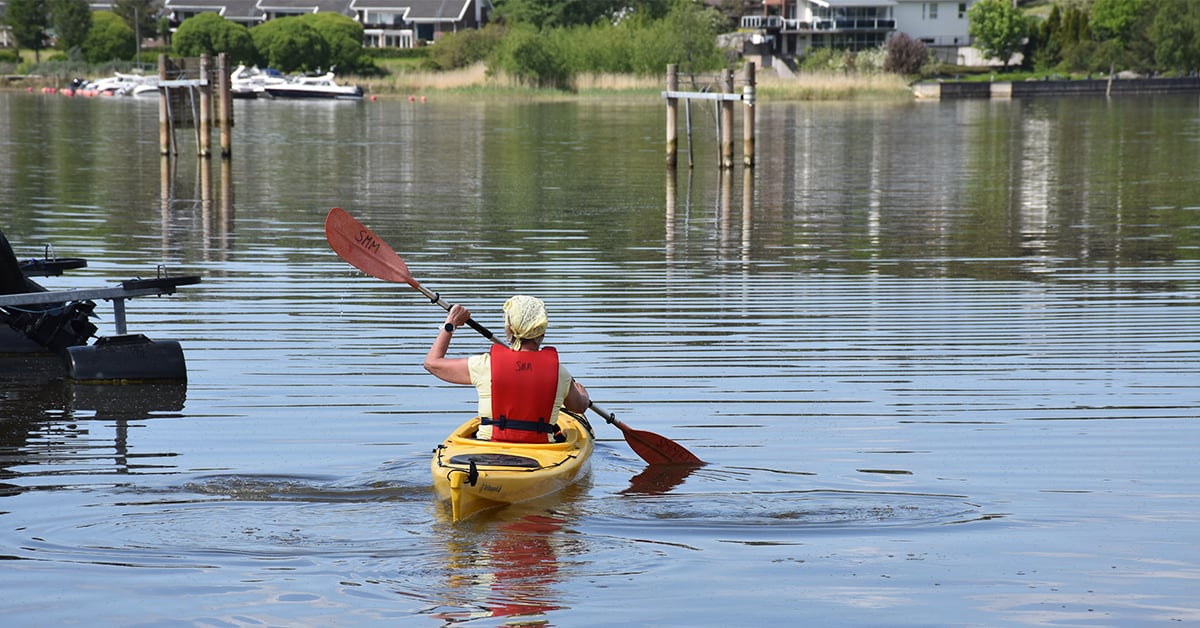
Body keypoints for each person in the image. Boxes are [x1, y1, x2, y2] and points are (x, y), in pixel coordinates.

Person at [424, 295, 590, 443]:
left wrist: (451, 323)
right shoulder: (560, 373)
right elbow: (579, 407)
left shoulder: (485, 365)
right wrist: (582, 393)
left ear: (509, 329)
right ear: (542, 333)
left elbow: (432, 363)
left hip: (488, 450)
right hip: (540, 453)